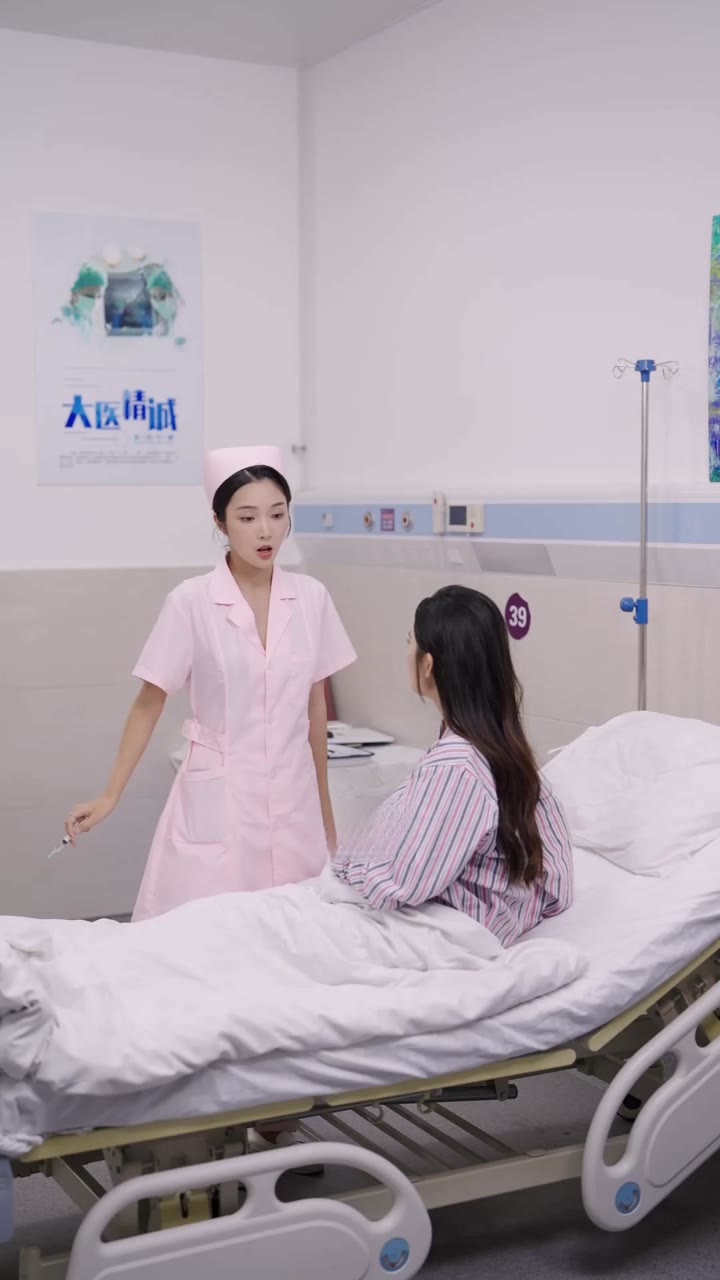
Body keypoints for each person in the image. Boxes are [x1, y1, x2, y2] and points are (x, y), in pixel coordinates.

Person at [65, 445, 356, 921]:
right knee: (205, 936)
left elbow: (315, 709)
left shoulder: (312, 598)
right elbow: (149, 701)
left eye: (277, 514)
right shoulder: (191, 602)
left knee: (296, 936)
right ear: (220, 522)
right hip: (220, 797)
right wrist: (110, 793)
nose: (265, 531)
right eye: (247, 517)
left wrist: (325, 813)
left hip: (294, 798)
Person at [332, 585, 573, 944]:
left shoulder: (457, 767)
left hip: (436, 934)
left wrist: (346, 868)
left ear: (428, 665)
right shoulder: (503, 749)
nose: (407, 652)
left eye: (409, 642)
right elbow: (557, 883)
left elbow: (401, 882)